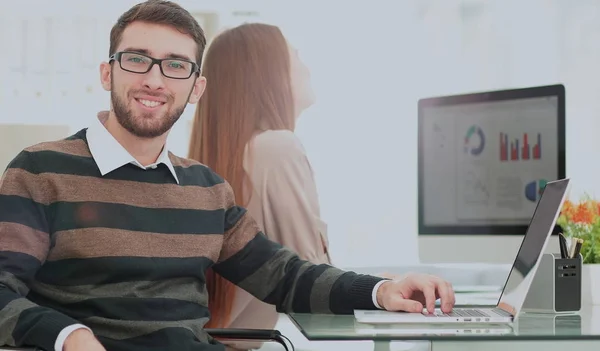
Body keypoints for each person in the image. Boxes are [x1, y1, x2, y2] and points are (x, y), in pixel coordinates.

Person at [0, 1, 455, 351]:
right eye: (137, 59)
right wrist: (69, 336)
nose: (155, 80)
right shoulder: (40, 170)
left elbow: (285, 276)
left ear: (195, 87)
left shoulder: (206, 190)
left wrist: (381, 290)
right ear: (107, 73)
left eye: (176, 65)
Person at [187, 23, 331, 339]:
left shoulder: (229, 154)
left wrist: (377, 285)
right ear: (268, 73)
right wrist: (378, 291)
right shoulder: (277, 147)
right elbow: (314, 286)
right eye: (295, 56)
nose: (306, 67)